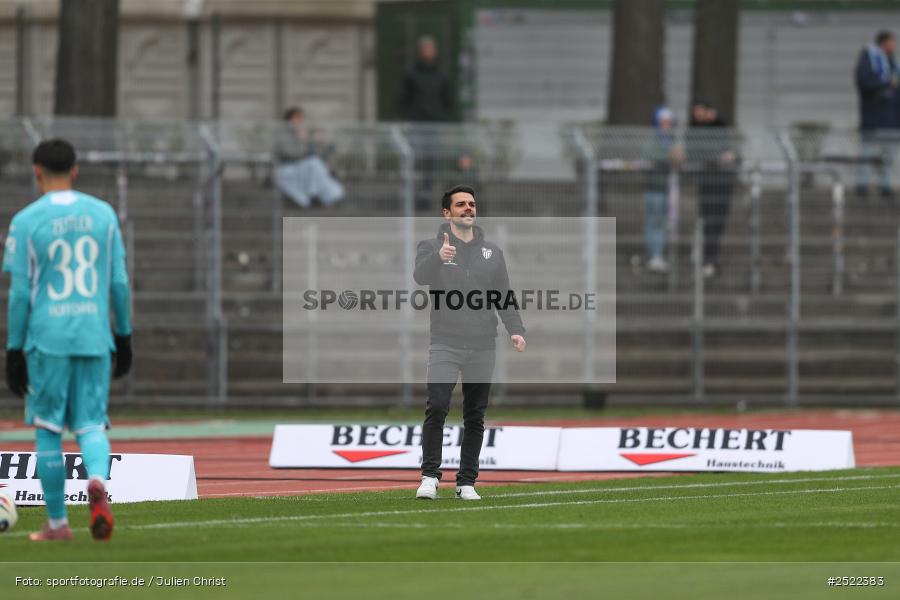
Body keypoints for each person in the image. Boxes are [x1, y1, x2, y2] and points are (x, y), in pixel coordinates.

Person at [3, 139, 132, 541]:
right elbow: (119, 282)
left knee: (47, 428)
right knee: (91, 424)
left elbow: (20, 294)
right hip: (94, 334)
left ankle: (58, 523)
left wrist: (13, 347)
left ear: (37, 171)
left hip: (48, 339)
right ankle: (97, 481)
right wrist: (124, 334)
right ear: (75, 170)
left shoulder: (26, 221)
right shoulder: (104, 214)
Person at [412, 185, 526, 500]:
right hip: (445, 343)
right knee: (437, 406)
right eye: (461, 204)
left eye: (472, 204)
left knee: (475, 415)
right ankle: (429, 477)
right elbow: (420, 276)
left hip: (482, 345)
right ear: (446, 212)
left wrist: (515, 329)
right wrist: (438, 258)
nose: (468, 208)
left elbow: (503, 294)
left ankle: (466, 482)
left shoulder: (492, 252)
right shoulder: (430, 246)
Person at [401, 36, 456, 205]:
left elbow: (448, 98)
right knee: (415, 157)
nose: (428, 52)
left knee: (433, 160)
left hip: (435, 124)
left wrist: (441, 116)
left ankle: (429, 191)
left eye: (430, 49)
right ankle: (414, 192)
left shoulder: (441, 74)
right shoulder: (412, 73)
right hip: (417, 123)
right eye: (425, 49)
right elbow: (405, 98)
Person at [688, 100, 737, 278]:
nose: (700, 115)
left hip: (723, 185)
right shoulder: (694, 133)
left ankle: (711, 258)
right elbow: (696, 154)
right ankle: (707, 259)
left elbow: (732, 152)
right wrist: (718, 157)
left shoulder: (719, 129)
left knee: (718, 223)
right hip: (708, 185)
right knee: (708, 223)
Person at [854, 30, 900, 201]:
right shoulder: (869, 58)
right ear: (883, 43)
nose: (893, 46)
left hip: (892, 119)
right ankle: (862, 185)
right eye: (891, 42)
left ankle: (885, 185)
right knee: (867, 153)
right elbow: (864, 83)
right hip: (874, 119)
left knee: (888, 155)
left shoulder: (893, 62)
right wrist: (887, 83)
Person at [273, 107, 344, 208]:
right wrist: (304, 140)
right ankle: (314, 195)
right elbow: (290, 153)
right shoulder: (282, 135)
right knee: (314, 164)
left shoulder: (304, 132)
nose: (299, 121)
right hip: (289, 168)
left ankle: (323, 195)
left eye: (300, 118)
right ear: (289, 120)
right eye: (296, 118)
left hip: (304, 167)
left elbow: (321, 153)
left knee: (317, 165)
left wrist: (320, 141)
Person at [641, 106, 683, 273]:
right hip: (654, 188)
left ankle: (660, 254)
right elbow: (649, 157)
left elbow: (679, 157)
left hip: (668, 189)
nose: (667, 125)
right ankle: (655, 255)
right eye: (663, 122)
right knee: (654, 221)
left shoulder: (672, 140)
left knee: (665, 222)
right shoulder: (652, 141)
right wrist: (668, 157)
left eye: (669, 122)